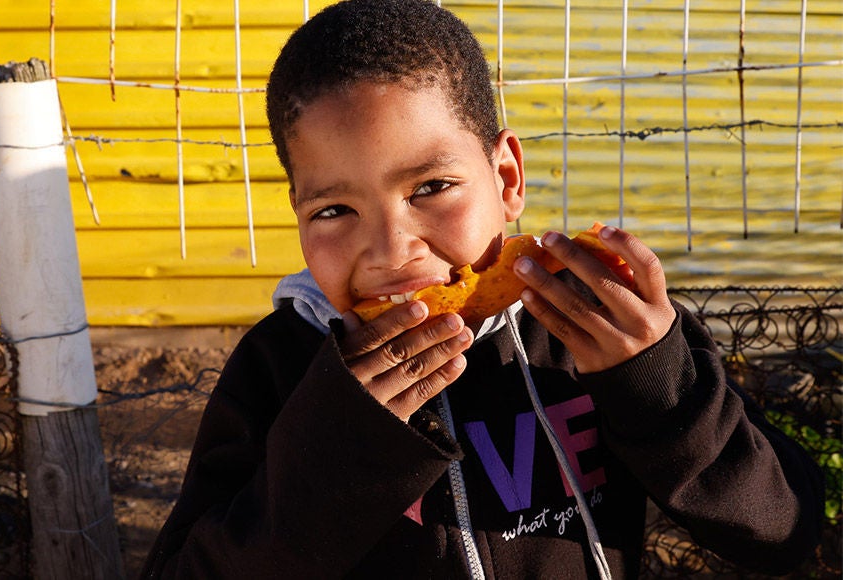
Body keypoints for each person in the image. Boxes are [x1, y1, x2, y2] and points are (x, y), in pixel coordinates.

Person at [141, 1, 823, 578]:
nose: (391, 251)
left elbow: (781, 532)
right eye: (333, 211)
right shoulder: (280, 371)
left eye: (431, 188)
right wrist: (335, 445)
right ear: (295, 211)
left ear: (507, 178)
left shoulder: (598, 329)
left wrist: (656, 383)